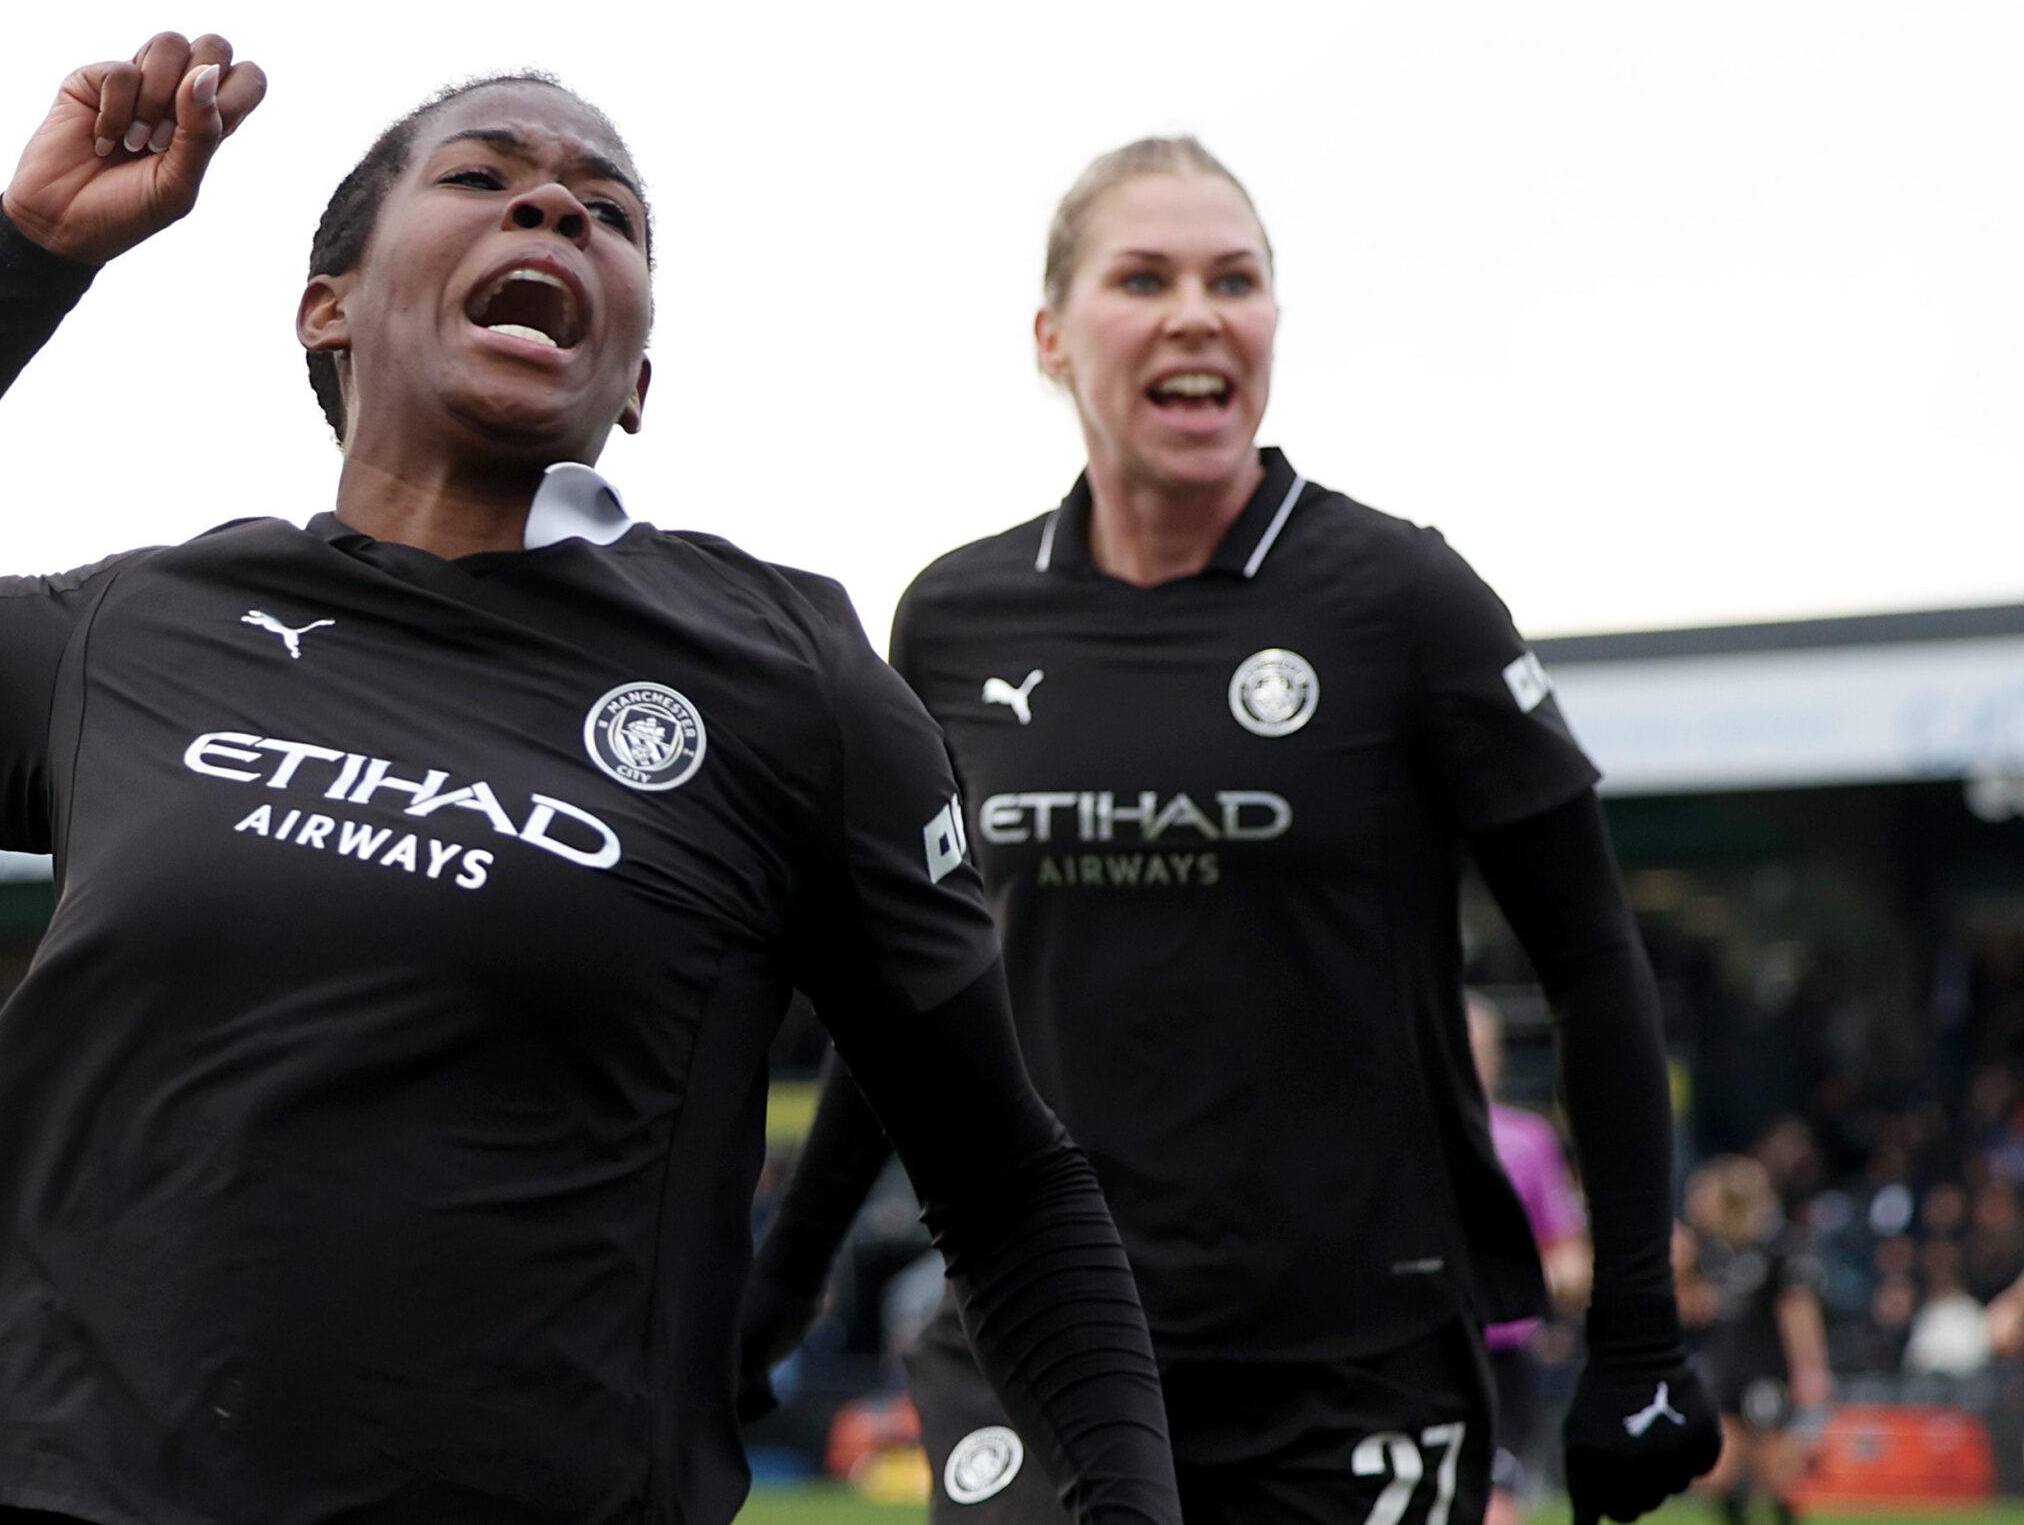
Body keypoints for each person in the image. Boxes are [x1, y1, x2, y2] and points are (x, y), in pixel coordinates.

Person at [0, 33, 1179, 1525]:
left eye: (609, 210)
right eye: (481, 177)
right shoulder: (145, 626)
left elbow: (1006, 1182)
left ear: (636, 378)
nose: (556, 206)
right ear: (329, 307)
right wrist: (31, 253)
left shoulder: (788, 674)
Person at [737, 137, 1720, 1525]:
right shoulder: (954, 618)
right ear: (1051, 336)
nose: (1197, 314)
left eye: (1234, 280)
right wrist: (778, 1286)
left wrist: (1637, 1330)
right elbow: (911, 999)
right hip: (1044, 1340)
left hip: (1349, 1361)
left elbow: (1597, 961)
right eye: (1144, 279)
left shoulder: (1403, 598)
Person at [1467, 994, 1593, 1525]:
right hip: (1418, 1349)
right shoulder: (1398, 1137)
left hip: (1501, 1358)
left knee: (1495, 1505)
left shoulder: (1528, 1140)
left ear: (1496, 1059)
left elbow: (1572, 1262)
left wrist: (1518, 1281)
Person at [1678, 1157, 1828, 1525]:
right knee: (1716, 1473)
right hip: (1727, 1367)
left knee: (1775, 1471)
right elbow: (1694, 1308)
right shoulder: (1714, 1252)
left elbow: (1797, 1311)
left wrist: (1810, 1369)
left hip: (1767, 1368)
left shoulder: (1779, 1248)